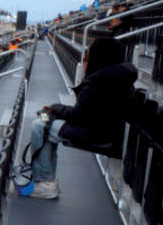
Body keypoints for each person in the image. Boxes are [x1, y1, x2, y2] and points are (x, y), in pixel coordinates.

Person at [23, 38, 137, 199]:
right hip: (107, 130)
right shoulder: (119, 77)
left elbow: (78, 116)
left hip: (99, 134)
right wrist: (54, 112)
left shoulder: (99, 82)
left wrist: (55, 108)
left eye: (87, 58)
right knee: (45, 120)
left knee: (39, 126)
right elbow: (86, 113)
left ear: (97, 59)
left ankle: (44, 183)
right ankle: (45, 180)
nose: (84, 61)